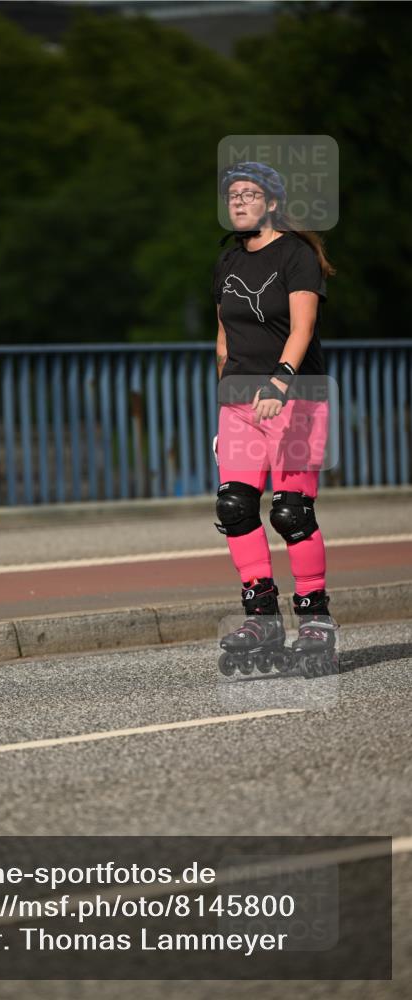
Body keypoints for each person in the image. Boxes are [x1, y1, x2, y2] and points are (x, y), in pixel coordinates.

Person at [212, 160, 339, 677]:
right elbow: (224, 340)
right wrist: (222, 415)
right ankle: (260, 614)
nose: (239, 201)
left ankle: (314, 617)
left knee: (291, 512)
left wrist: (280, 380)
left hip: (297, 396)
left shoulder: (296, 255)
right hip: (240, 401)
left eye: (249, 194)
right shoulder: (225, 262)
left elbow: (303, 326)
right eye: (232, 195)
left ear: (271, 203)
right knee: (235, 506)